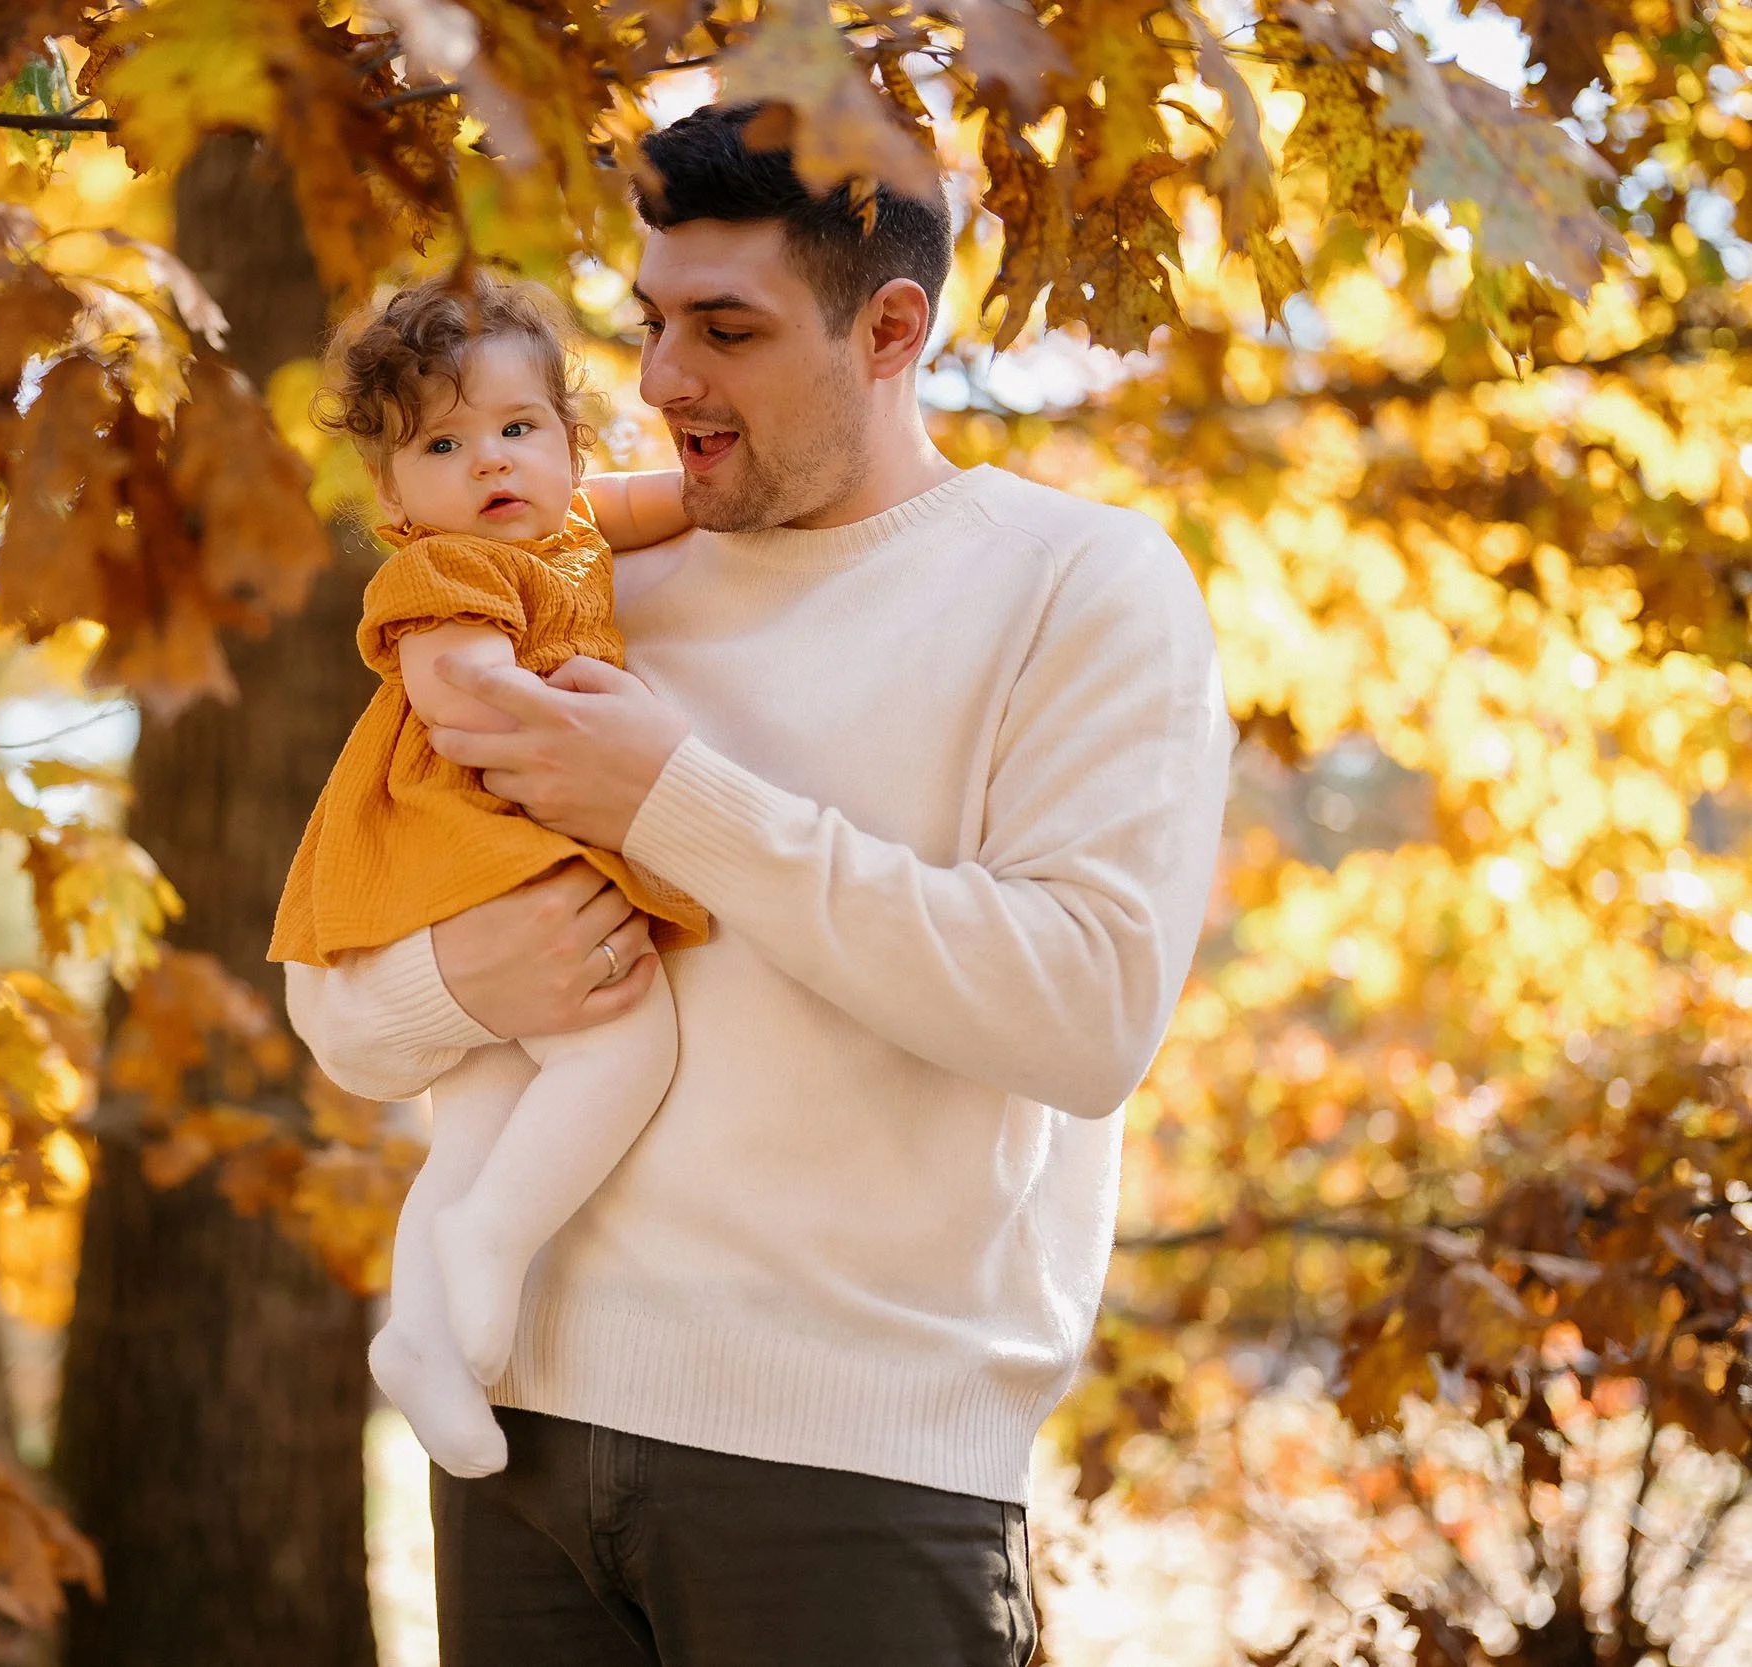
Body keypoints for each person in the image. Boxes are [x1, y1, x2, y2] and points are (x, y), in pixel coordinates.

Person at [286, 102, 1237, 1665]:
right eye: (654, 320)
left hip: (855, 1474)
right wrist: (466, 980)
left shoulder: (1077, 584)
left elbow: (1087, 1016)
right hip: (510, 1447)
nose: (663, 380)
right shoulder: (559, 588)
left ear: (890, 327)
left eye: (725, 329)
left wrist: (669, 797)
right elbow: (339, 1000)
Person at [269, 272, 711, 1480]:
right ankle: (496, 1240)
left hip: (488, 852)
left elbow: (666, 499)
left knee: (473, 1109)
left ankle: (422, 1343)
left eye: (520, 431)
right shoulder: (443, 569)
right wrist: (550, 708)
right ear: (391, 492)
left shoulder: (564, 531)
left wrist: (727, 499)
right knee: (625, 1041)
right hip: (472, 835)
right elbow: (452, 684)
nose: (489, 465)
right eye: (444, 444)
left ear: (568, 444)